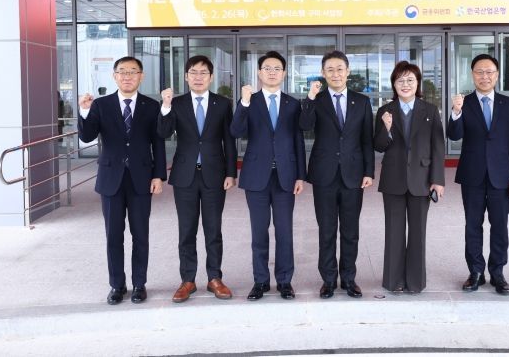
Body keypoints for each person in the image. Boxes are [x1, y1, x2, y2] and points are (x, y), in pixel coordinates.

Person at [77, 56, 166, 305]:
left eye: (133, 71)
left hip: (141, 179)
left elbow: (158, 143)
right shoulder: (101, 104)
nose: (127, 76)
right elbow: (87, 136)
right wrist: (84, 111)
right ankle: (117, 285)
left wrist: (158, 175)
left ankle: (139, 284)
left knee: (140, 235)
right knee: (113, 235)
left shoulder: (151, 106)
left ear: (141, 76)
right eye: (122, 72)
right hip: (111, 179)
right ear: (114, 76)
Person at [157, 55, 237, 303]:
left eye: (203, 73)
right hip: (185, 176)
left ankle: (215, 278)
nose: (198, 77)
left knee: (213, 230)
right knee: (187, 230)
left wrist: (231, 172)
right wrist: (165, 106)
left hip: (215, 175)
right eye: (194, 72)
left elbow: (229, 140)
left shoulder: (222, 103)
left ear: (211, 77)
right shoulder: (176, 103)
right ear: (186, 76)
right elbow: (163, 132)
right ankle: (188, 280)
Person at [447, 54, 509, 295]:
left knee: (499, 225)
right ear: (472, 75)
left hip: (502, 176)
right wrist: (456, 111)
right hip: (472, 174)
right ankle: (476, 272)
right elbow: (454, 135)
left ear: (497, 75)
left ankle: (498, 272)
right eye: (479, 72)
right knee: (473, 225)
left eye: (489, 71)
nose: (484, 76)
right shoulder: (464, 102)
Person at [230, 51, 306, 301]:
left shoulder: (292, 104)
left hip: (286, 176)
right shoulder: (249, 101)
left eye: (277, 68)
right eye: (267, 68)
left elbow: (298, 141)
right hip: (256, 176)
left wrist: (300, 176)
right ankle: (260, 281)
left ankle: (284, 281)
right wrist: (243, 103)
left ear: (284, 73)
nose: (272, 72)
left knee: (284, 231)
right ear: (259, 73)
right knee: (259, 232)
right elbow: (236, 131)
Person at [300, 50, 375, 299]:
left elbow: (366, 139)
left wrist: (369, 171)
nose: (335, 74)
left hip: (353, 174)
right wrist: (310, 98)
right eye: (330, 69)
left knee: (351, 231)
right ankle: (329, 280)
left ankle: (349, 278)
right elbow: (304, 125)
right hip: (324, 175)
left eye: (340, 69)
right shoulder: (317, 99)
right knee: (327, 230)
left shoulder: (362, 101)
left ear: (348, 71)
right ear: (323, 73)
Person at [373, 61, 445, 294]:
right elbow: (378, 146)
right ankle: (394, 281)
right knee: (393, 232)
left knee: (418, 233)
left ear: (417, 83)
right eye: (400, 80)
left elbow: (438, 147)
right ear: (394, 84)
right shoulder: (385, 111)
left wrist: (438, 179)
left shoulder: (430, 111)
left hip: (421, 179)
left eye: (410, 80)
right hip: (393, 179)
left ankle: (415, 282)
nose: (405, 84)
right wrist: (386, 128)